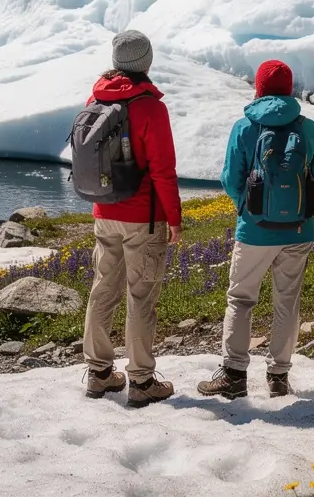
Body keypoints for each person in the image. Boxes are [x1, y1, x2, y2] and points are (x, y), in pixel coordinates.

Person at [198, 59, 314, 400]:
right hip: (298, 231)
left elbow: (230, 179)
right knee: (287, 301)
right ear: (289, 88)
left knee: (241, 299)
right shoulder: (309, 128)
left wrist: (248, 207)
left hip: (254, 231)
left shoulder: (245, 126)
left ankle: (234, 374)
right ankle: (278, 376)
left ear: (258, 88)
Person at [82, 30, 182, 406]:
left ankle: (99, 374)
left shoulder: (96, 99)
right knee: (141, 296)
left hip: (104, 211)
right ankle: (141, 381)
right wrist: (175, 218)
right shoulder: (150, 107)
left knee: (103, 288)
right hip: (144, 217)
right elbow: (163, 170)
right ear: (146, 62)